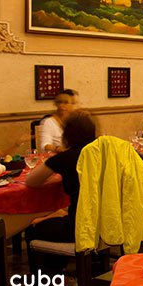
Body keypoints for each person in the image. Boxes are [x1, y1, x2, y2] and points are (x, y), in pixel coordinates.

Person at [25, 110, 96, 271]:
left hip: (79, 227)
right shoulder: (101, 153)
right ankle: (60, 274)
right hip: (104, 222)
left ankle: (43, 283)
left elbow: (31, 181)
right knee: (55, 220)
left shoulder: (66, 157)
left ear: (67, 135)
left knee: (32, 230)